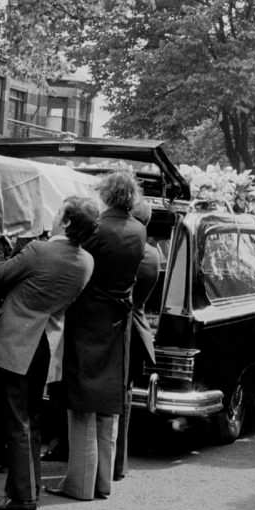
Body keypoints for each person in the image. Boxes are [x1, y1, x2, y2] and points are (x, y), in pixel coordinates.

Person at [0, 197, 99, 510]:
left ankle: (22, 498)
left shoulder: (40, 250)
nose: (54, 213)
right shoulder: (85, 261)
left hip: (18, 343)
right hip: (46, 343)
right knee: (31, 420)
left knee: (17, 422)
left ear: (67, 222)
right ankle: (27, 490)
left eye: (59, 210)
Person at [48, 171, 146, 502]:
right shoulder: (138, 229)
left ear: (106, 193)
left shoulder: (98, 229)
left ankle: (80, 483)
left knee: (81, 404)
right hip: (119, 321)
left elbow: (75, 258)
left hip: (88, 318)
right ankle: (103, 480)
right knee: (108, 405)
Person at [113, 199, 161, 481]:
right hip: (139, 326)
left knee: (116, 398)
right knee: (126, 396)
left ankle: (111, 462)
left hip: (123, 327)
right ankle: (119, 462)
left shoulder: (134, 251)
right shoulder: (153, 254)